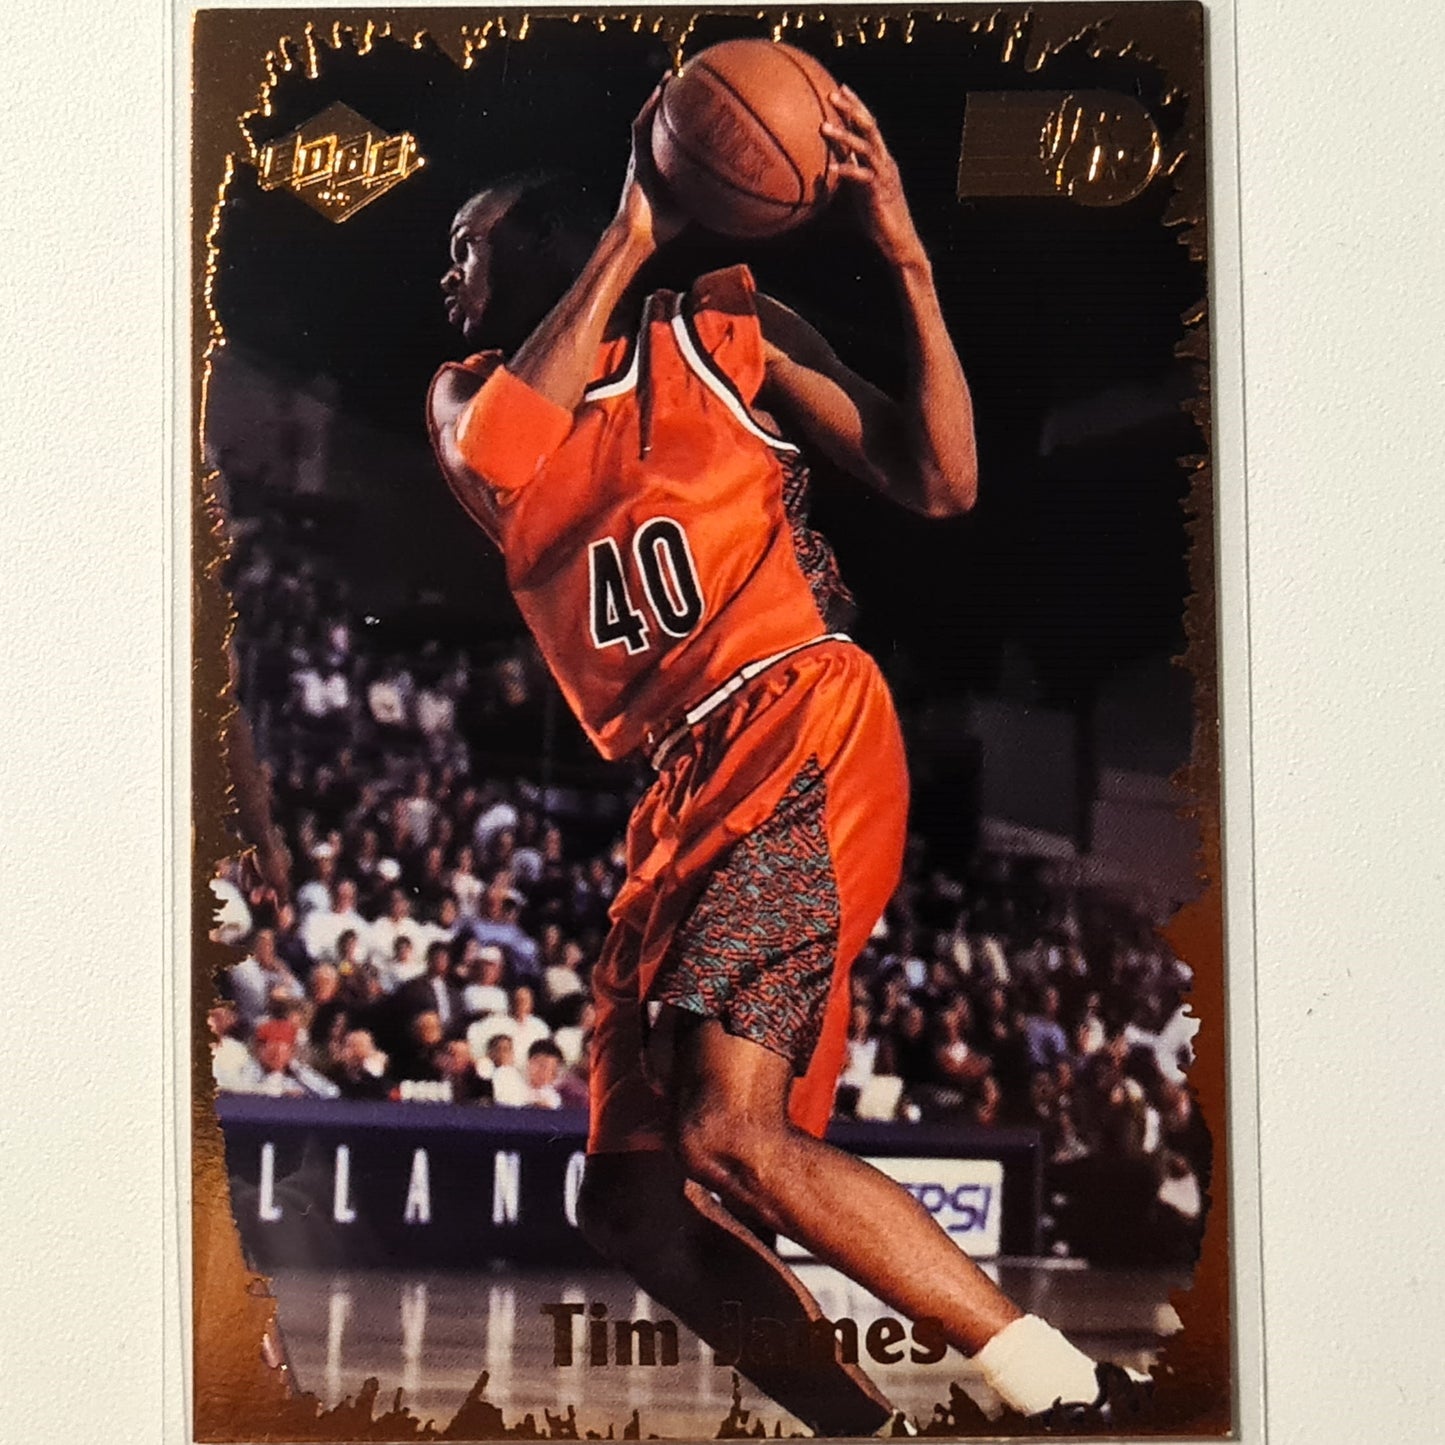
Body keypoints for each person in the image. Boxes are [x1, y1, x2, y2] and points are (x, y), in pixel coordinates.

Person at [427, 80, 1144, 1430]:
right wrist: (633, 234)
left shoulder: (730, 330)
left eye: (469, 241)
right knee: (629, 1200)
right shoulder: (466, 396)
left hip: (792, 720)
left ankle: (1066, 1396)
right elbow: (514, 455)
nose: (446, 271)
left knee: (727, 1130)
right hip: (673, 781)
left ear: (549, 238)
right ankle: (863, 1428)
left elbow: (941, 480)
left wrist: (907, 260)